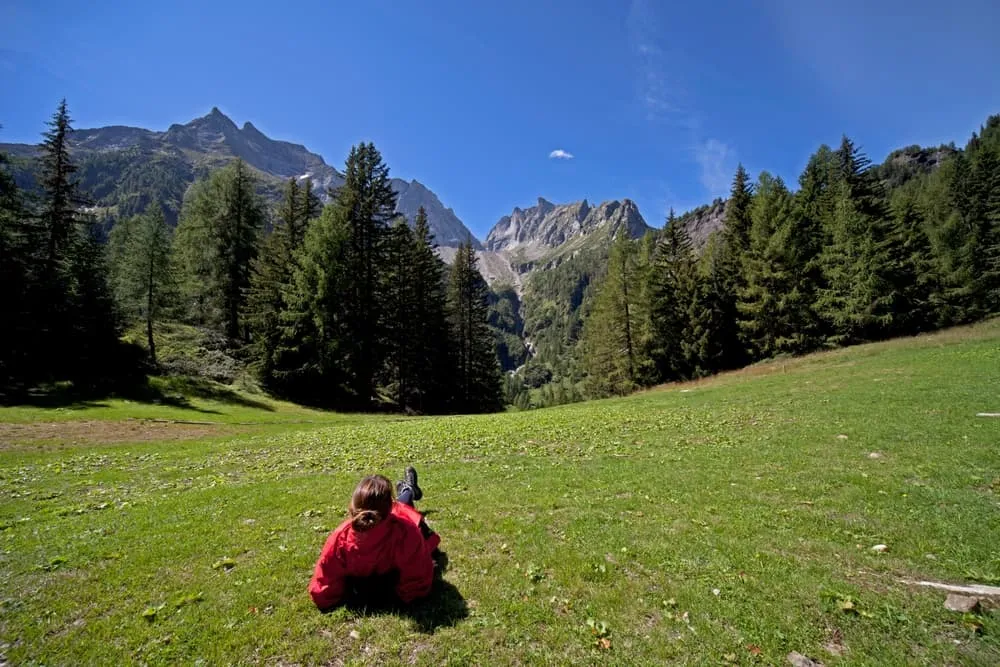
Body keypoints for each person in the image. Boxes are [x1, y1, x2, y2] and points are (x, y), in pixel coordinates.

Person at [308, 467, 441, 611]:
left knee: (404, 507)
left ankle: (408, 489)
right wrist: (404, 598)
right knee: (404, 507)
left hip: (399, 517)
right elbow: (418, 575)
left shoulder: (340, 537)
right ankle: (408, 489)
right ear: (391, 506)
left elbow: (325, 579)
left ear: (352, 507)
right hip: (399, 516)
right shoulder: (406, 531)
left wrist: (329, 599)